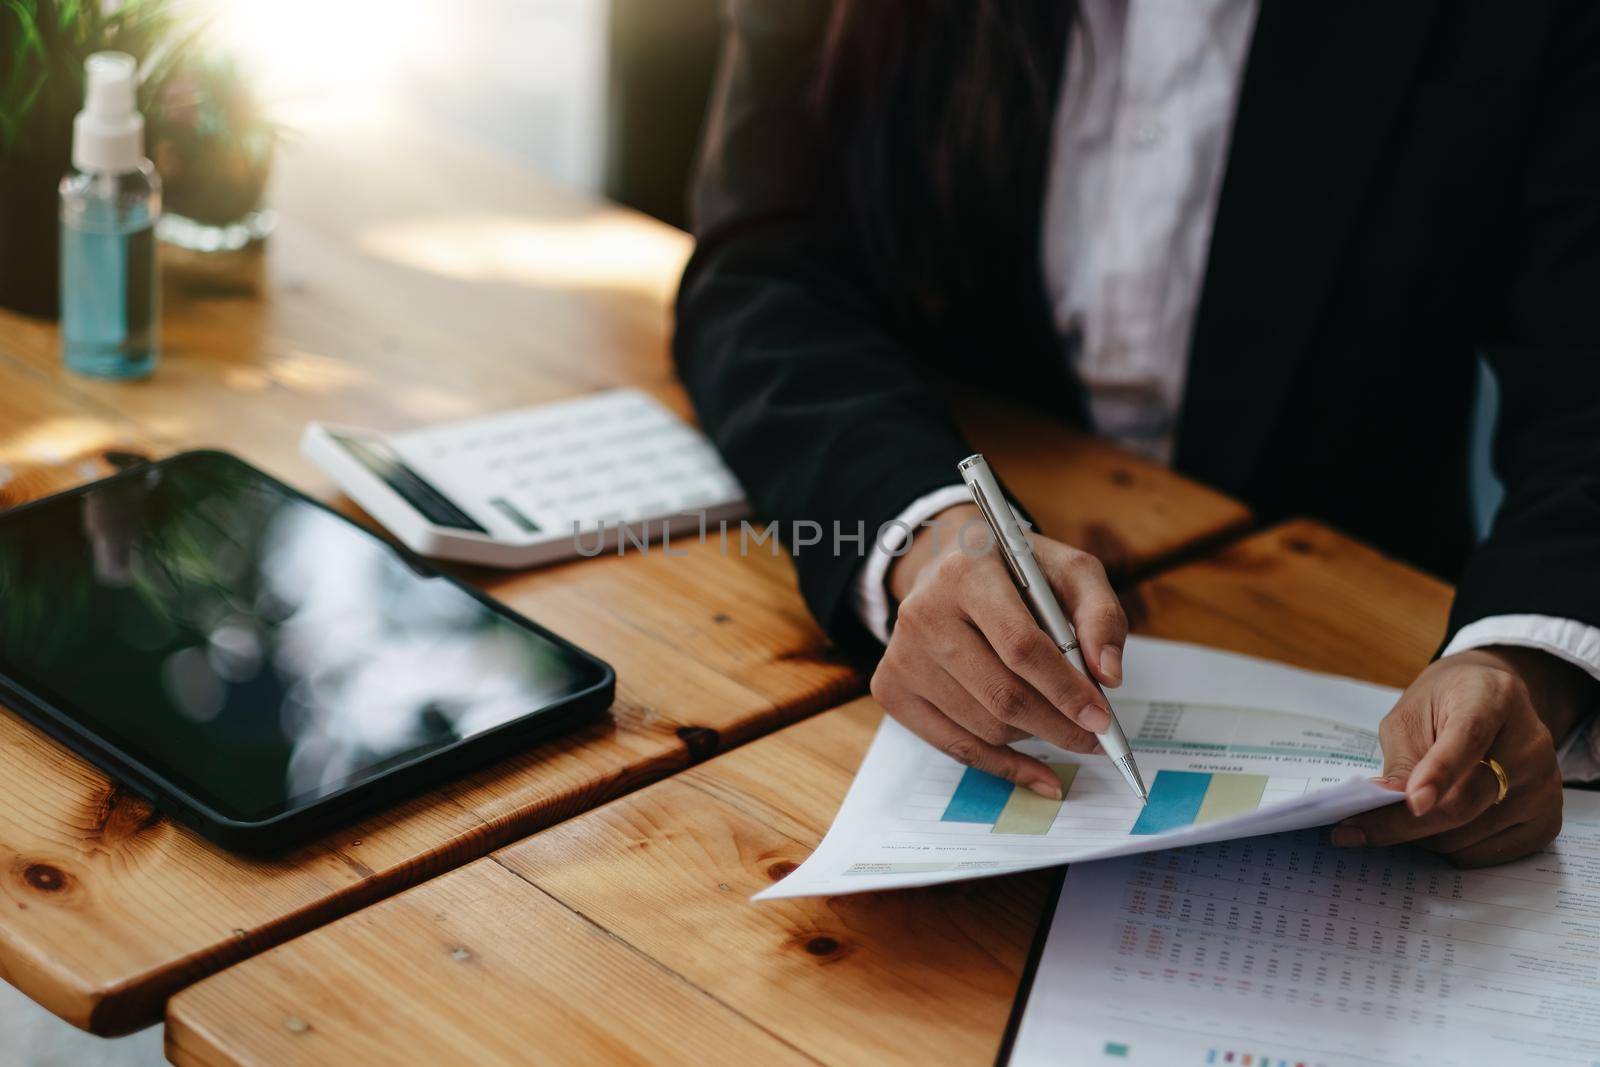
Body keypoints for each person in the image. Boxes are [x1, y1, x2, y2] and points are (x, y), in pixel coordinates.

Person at [673, 0, 1600, 866]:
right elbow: (761, 269)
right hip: (909, 637)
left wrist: (1525, 656)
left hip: (1366, 643)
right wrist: (926, 527)